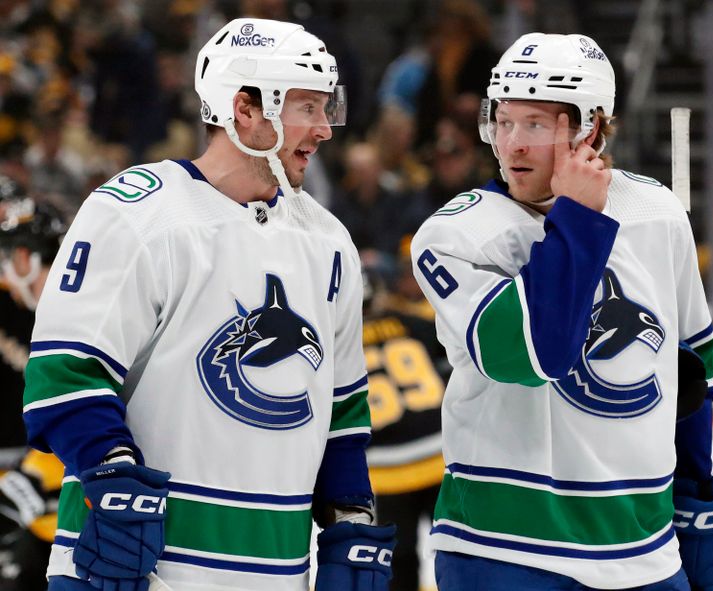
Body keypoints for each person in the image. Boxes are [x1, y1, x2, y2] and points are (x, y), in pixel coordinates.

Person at [22, 18, 394, 591]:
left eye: (328, 109)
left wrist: (351, 517)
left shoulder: (329, 242)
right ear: (245, 108)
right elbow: (64, 375)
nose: (324, 129)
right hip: (131, 572)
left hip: (276, 572)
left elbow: (342, 411)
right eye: (307, 107)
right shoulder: (137, 212)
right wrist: (114, 478)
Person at [410, 33, 713, 591]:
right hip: (503, 551)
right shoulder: (456, 235)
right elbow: (535, 354)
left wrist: (695, 498)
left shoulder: (657, 212)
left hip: (644, 552)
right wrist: (580, 219)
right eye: (503, 121)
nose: (511, 145)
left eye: (536, 125)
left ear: (592, 127)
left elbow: (691, 374)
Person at [362, 241, 450, 591]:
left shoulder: (336, 344)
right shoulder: (413, 321)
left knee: (398, 562)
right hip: (439, 452)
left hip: (385, 468)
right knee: (463, 549)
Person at [0, 191, 66, 591]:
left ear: (27, 257)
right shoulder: (53, 311)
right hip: (59, 492)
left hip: (86, 501)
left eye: (10, 255)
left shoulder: (72, 312)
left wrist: (37, 476)